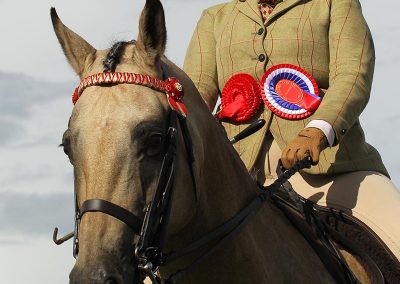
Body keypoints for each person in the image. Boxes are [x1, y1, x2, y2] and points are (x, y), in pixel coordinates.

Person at [183, 0, 400, 270]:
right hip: (235, 174)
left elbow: (353, 73)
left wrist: (319, 130)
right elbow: (193, 96)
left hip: (328, 167)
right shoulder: (214, 18)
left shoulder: (335, 4)